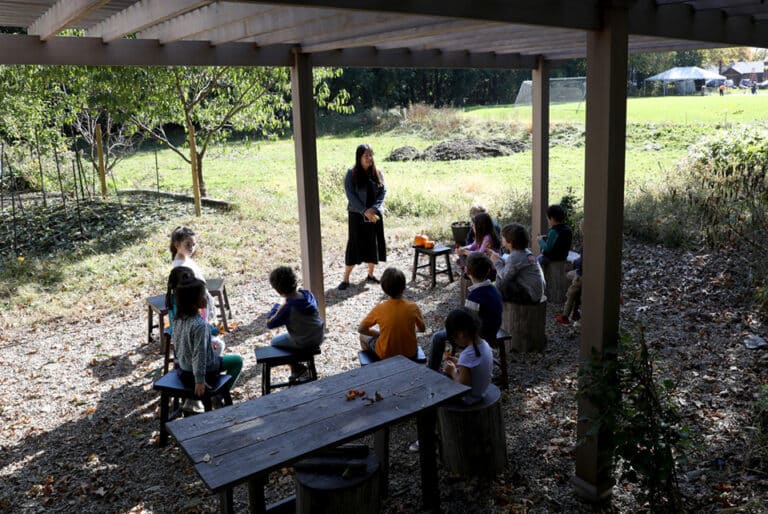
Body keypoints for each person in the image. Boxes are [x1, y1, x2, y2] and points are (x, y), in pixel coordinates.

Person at [173, 275, 243, 413]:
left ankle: (205, 396)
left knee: (216, 351)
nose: (206, 299)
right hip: (202, 372)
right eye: (203, 296)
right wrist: (199, 380)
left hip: (183, 370)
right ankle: (219, 395)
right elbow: (200, 355)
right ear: (194, 302)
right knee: (237, 360)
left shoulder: (177, 319)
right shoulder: (199, 325)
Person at [428, 252, 502, 371]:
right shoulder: (494, 289)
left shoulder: (475, 297)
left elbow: (466, 324)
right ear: (488, 270)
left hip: (480, 335)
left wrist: (449, 323)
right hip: (494, 329)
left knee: (437, 337)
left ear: (467, 271)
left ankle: (432, 370)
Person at [339, 144, 387, 290]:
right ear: (359, 157)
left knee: (373, 243)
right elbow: (350, 195)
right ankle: (346, 279)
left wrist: (374, 208)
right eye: (366, 155)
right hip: (357, 215)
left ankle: (370, 275)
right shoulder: (351, 173)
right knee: (354, 244)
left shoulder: (377, 172)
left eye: (371, 155)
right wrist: (364, 210)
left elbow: (383, 192)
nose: (369, 158)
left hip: (374, 214)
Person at [266, 266, 325, 378]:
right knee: (289, 335)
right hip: (318, 336)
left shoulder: (288, 307)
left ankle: (297, 367)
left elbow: (270, 323)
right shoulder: (308, 294)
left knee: (274, 342)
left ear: (278, 291)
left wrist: (279, 304)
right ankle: (296, 370)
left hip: (303, 341)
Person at [358, 267, 425, 360]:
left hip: (386, 354)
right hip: (410, 352)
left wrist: (378, 334)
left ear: (383, 288)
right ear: (404, 287)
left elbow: (361, 329)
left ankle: (376, 365)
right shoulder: (413, 307)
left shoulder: (379, 309)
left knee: (362, 337)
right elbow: (422, 329)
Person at [166, 266, 225, 358]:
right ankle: (215, 362)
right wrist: (216, 330)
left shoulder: (172, 300)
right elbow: (199, 329)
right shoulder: (190, 305)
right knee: (220, 346)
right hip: (194, 347)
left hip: (181, 343)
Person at [442, 308, 493, 405]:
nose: (454, 341)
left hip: (469, 399)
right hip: (482, 391)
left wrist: (452, 371)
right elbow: (475, 365)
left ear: (461, 334)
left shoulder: (466, 355)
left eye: (453, 337)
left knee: (441, 381)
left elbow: (462, 386)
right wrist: (459, 363)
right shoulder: (485, 344)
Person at [487, 223, 546, 304]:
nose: (501, 239)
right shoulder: (525, 252)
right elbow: (510, 266)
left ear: (510, 242)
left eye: (503, 237)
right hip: (536, 293)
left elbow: (505, 276)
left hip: (529, 295)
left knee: (503, 284)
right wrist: (497, 257)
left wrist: (496, 262)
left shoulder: (515, 256)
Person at [169, 225, 217, 325]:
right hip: (195, 300)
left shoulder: (184, 257)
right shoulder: (180, 265)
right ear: (177, 245)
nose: (191, 248)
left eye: (193, 244)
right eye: (188, 245)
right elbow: (187, 291)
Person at [556, 219, 583, 325]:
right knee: (568, 274)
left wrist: (575, 263)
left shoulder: (586, 245)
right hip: (580, 271)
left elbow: (582, 263)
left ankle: (565, 316)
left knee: (571, 293)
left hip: (581, 275)